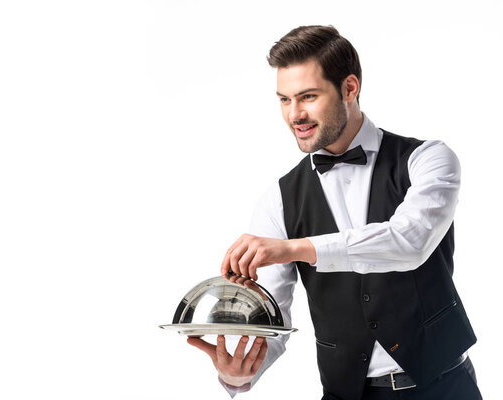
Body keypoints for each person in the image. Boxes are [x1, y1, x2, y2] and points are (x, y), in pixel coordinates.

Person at [187, 25, 482, 400]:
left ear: (349, 88)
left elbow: (409, 241)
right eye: (284, 100)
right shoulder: (279, 200)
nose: (295, 114)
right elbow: (273, 319)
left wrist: (296, 248)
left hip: (445, 388)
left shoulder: (427, 160)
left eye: (308, 96)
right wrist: (239, 374)